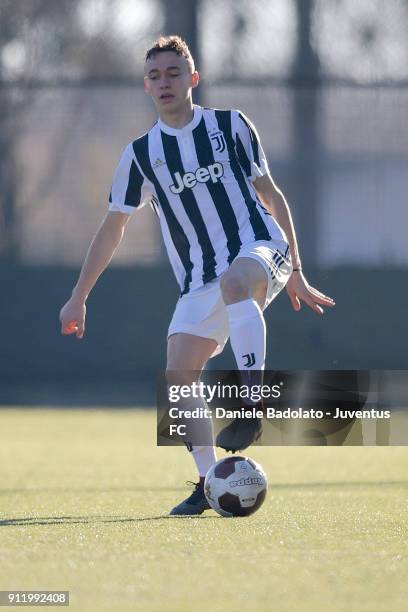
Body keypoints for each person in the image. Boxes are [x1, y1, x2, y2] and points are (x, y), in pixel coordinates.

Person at [59, 35, 335, 516]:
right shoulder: (141, 155)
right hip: (198, 278)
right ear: (146, 86)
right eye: (155, 76)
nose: (164, 82)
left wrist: (296, 268)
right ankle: (210, 483)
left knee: (235, 282)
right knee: (178, 375)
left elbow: (270, 193)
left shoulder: (230, 126)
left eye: (173, 73)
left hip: (259, 247)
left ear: (193, 78)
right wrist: (79, 295)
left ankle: (252, 406)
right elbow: (113, 226)